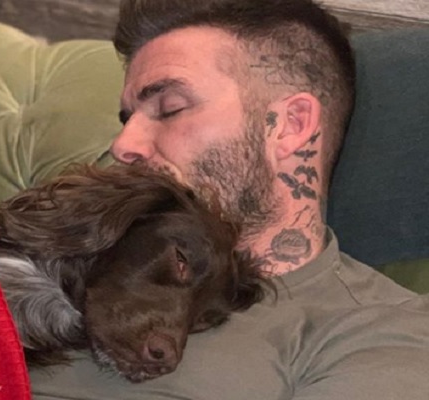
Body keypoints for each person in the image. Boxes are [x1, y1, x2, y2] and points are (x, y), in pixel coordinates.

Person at [28, 0, 429, 399]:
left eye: (170, 109)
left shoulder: (377, 332)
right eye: (128, 119)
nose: (123, 145)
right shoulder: (82, 251)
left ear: (290, 126)